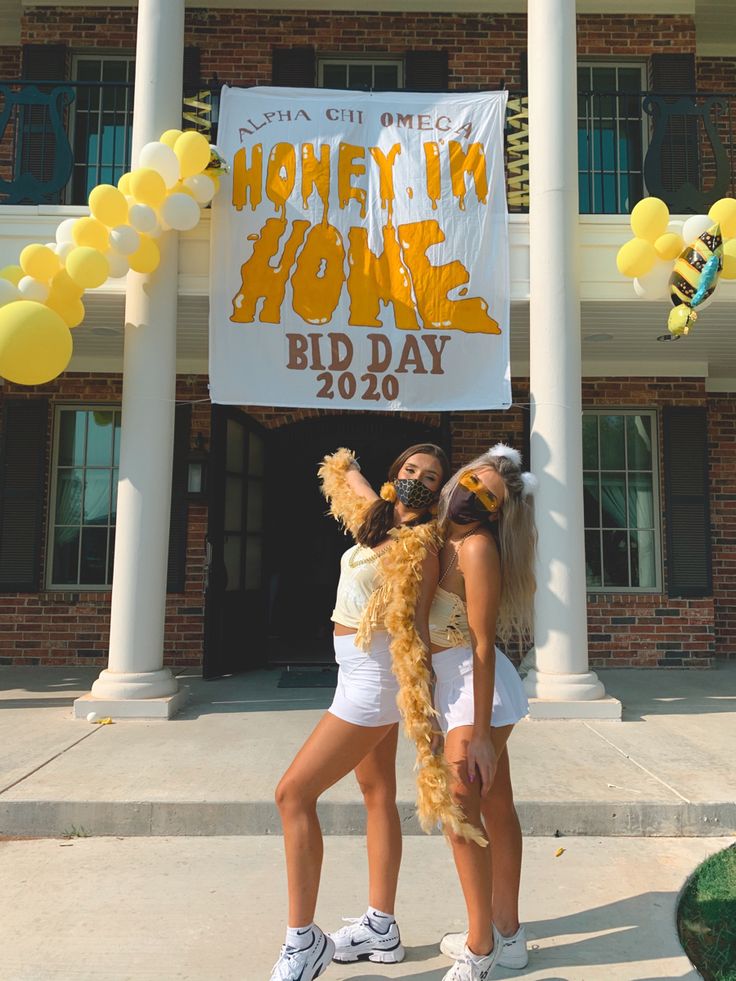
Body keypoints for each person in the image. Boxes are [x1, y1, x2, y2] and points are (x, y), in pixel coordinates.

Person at [270, 442, 469, 981]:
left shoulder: (423, 542)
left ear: (439, 492)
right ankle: (381, 926)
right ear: (395, 474)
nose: (417, 481)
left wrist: (371, 498)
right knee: (376, 793)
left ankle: (302, 940)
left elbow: (398, 565)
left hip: (378, 680)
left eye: (431, 478)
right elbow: (351, 482)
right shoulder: (380, 518)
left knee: (292, 793)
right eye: (410, 470)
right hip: (354, 670)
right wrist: (347, 467)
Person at [430, 444, 537, 981]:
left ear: (496, 513)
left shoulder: (475, 547)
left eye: (486, 497)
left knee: (460, 815)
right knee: (495, 808)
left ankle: (479, 947)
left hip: (479, 692)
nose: (471, 496)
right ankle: (509, 936)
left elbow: (480, 645)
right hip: (455, 689)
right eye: (471, 482)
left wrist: (476, 735)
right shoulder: (436, 535)